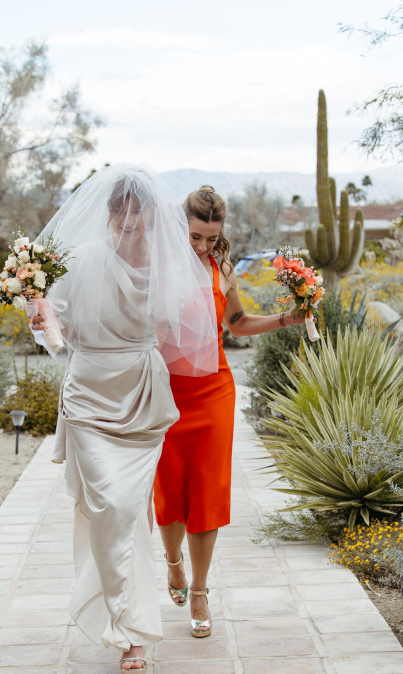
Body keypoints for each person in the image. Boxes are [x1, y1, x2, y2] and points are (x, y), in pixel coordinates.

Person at [32, 165, 219, 674]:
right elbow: (56, 336)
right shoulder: (81, 259)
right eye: (121, 209)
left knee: (130, 510)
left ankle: (132, 632)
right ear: (110, 210)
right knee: (110, 505)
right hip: (90, 395)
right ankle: (125, 629)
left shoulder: (168, 264)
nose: (129, 218)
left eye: (139, 209)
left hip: (139, 395)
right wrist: (41, 316)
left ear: (152, 213)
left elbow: (172, 331)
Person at [154, 185, 304, 637]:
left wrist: (285, 319)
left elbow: (235, 323)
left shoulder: (221, 266)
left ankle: (199, 590)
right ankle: (174, 563)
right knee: (170, 487)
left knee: (208, 490)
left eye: (210, 237)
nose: (202, 246)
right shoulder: (158, 267)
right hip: (167, 393)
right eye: (196, 236)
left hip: (214, 392)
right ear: (182, 227)